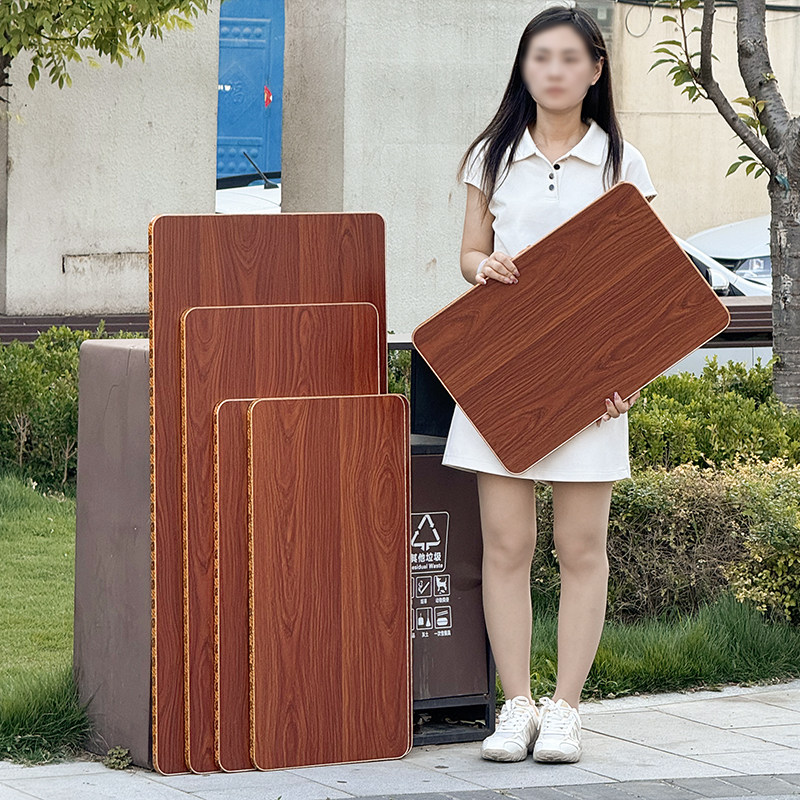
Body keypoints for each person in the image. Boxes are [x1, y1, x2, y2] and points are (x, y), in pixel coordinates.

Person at [441, 5, 658, 764]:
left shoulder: (621, 164)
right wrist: (484, 267)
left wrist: (626, 374)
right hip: (505, 370)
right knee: (504, 547)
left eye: (570, 58)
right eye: (541, 57)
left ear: (596, 70)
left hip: (591, 384)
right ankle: (517, 706)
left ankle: (566, 708)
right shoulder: (492, 156)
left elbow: (644, 283)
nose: (555, 70)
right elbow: (470, 253)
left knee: (580, 548)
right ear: (524, 68)